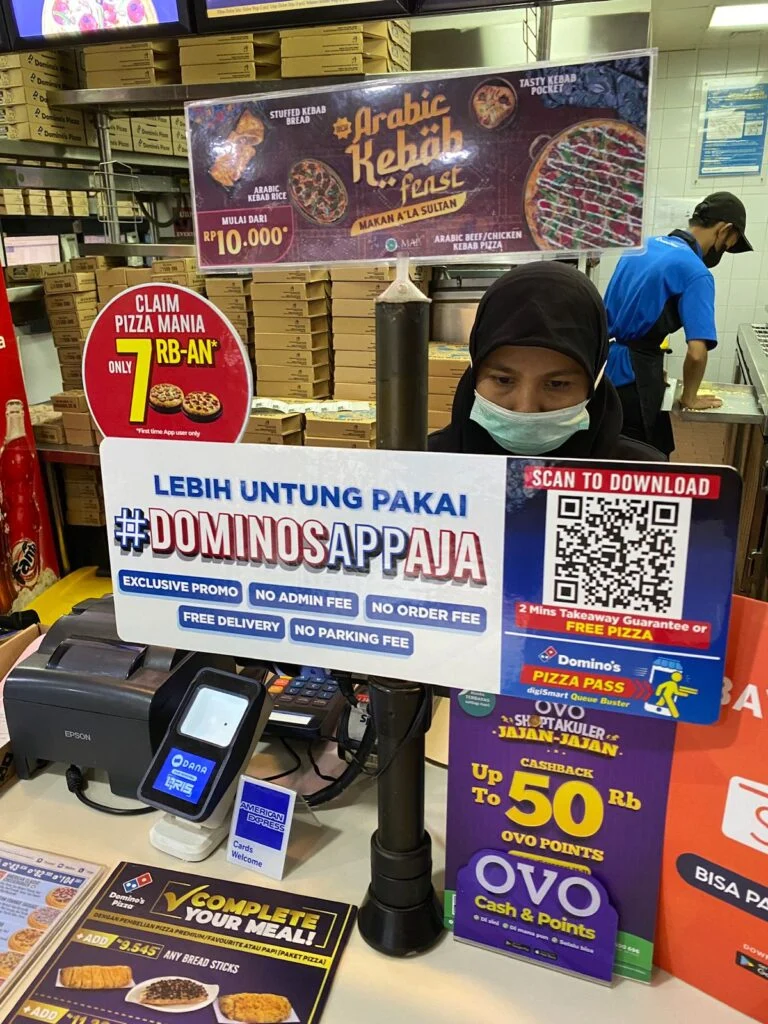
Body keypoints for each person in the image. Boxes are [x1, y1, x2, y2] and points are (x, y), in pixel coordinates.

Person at [429, 262, 663, 463]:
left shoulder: (646, 479)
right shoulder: (422, 467)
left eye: (557, 384)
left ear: (595, 380)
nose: (526, 409)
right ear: (475, 373)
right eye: (503, 380)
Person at [603, 191, 753, 456]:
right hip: (636, 381)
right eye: (730, 244)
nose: (726, 251)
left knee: (605, 454)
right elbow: (697, 353)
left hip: (603, 370)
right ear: (725, 230)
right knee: (646, 462)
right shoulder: (696, 271)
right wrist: (690, 397)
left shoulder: (643, 246)